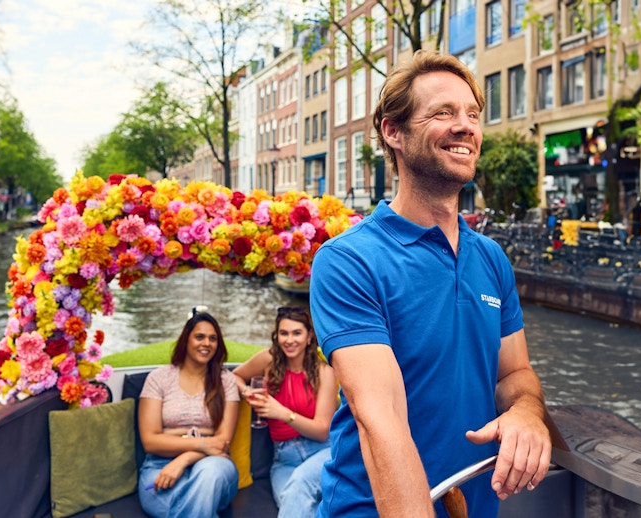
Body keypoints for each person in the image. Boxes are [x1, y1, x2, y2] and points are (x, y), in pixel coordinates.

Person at [309, 50, 552, 518]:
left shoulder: (491, 259)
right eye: (443, 112)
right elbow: (381, 417)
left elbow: (513, 374)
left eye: (473, 115)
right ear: (393, 131)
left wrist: (525, 412)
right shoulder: (348, 260)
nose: (466, 127)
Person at [233, 307, 336, 517]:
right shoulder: (268, 360)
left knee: (298, 484)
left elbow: (322, 431)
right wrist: (247, 391)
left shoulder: (324, 372)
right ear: (277, 336)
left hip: (321, 452)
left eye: (296, 333)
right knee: (296, 504)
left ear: (309, 337)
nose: (289, 340)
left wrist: (283, 413)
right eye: (284, 333)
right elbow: (234, 376)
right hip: (284, 459)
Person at [137, 308, 240, 518]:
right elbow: (150, 441)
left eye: (213, 339)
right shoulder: (159, 378)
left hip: (212, 463)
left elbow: (221, 442)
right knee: (196, 502)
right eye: (199, 337)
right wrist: (203, 443)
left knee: (209, 476)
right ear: (186, 340)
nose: (207, 343)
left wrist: (182, 460)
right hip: (159, 465)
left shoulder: (226, 380)